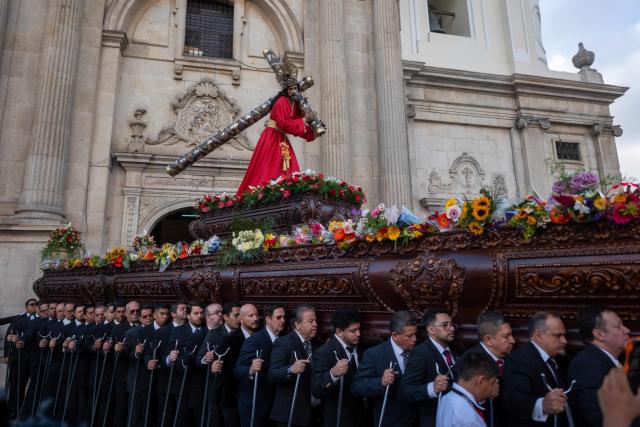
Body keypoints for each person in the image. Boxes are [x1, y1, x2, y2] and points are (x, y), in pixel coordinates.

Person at [235, 82, 318, 196]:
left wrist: (312, 132)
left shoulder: (294, 105)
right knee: (269, 168)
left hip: (281, 138)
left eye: (295, 88)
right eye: (291, 89)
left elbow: (296, 126)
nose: (293, 91)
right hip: (272, 137)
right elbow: (284, 124)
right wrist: (304, 120)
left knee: (289, 170)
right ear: (286, 91)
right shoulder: (281, 101)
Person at [568, 305, 638, 427]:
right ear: (599, 334)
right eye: (618, 326)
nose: (627, 330)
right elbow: (598, 419)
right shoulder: (587, 366)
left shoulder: (607, 360)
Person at [502, 311, 573, 427]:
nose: (564, 341)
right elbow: (513, 400)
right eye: (557, 336)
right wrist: (542, 406)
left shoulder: (559, 359)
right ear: (539, 336)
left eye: (564, 335)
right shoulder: (519, 360)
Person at [352, 310, 418, 427]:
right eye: (409, 336)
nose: (415, 339)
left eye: (415, 334)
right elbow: (357, 387)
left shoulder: (418, 352)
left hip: (417, 420)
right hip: (390, 421)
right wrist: (381, 382)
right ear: (395, 335)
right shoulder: (374, 354)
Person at [400, 308, 459, 427]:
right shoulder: (420, 353)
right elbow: (405, 391)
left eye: (452, 324)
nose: (451, 328)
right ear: (431, 329)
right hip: (433, 420)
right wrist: (432, 388)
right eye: (445, 325)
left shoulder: (456, 351)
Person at [234, 304, 286, 427]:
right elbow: (237, 370)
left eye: (284, 317)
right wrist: (251, 369)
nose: (283, 320)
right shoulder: (254, 340)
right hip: (255, 406)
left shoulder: (284, 340)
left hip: (275, 406)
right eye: (279, 317)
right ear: (268, 319)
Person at [312, 308, 365, 427]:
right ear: (340, 332)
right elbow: (316, 389)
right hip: (337, 418)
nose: (359, 334)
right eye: (353, 331)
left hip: (360, 417)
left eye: (359, 329)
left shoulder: (361, 349)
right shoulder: (325, 352)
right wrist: (333, 374)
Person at [269, 304, 318, 427]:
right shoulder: (283, 343)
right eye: (310, 321)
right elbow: (272, 374)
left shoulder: (317, 344)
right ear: (297, 324)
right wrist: (291, 369)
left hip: (313, 412)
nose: (315, 324)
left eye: (316, 321)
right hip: (290, 413)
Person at [463, 311, 514, 427]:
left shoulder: (511, 358)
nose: (513, 340)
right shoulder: (470, 362)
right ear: (489, 340)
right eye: (507, 336)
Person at [164, 302, 204, 427]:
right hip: (182, 385)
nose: (199, 316)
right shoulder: (177, 331)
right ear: (188, 316)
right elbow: (169, 356)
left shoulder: (207, 331)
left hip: (201, 386)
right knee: (183, 420)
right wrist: (171, 359)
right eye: (196, 313)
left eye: (201, 313)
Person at [435, 352, 500, 427]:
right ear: (481, 381)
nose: (493, 388)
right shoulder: (469, 420)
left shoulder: (448, 397)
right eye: (492, 383)